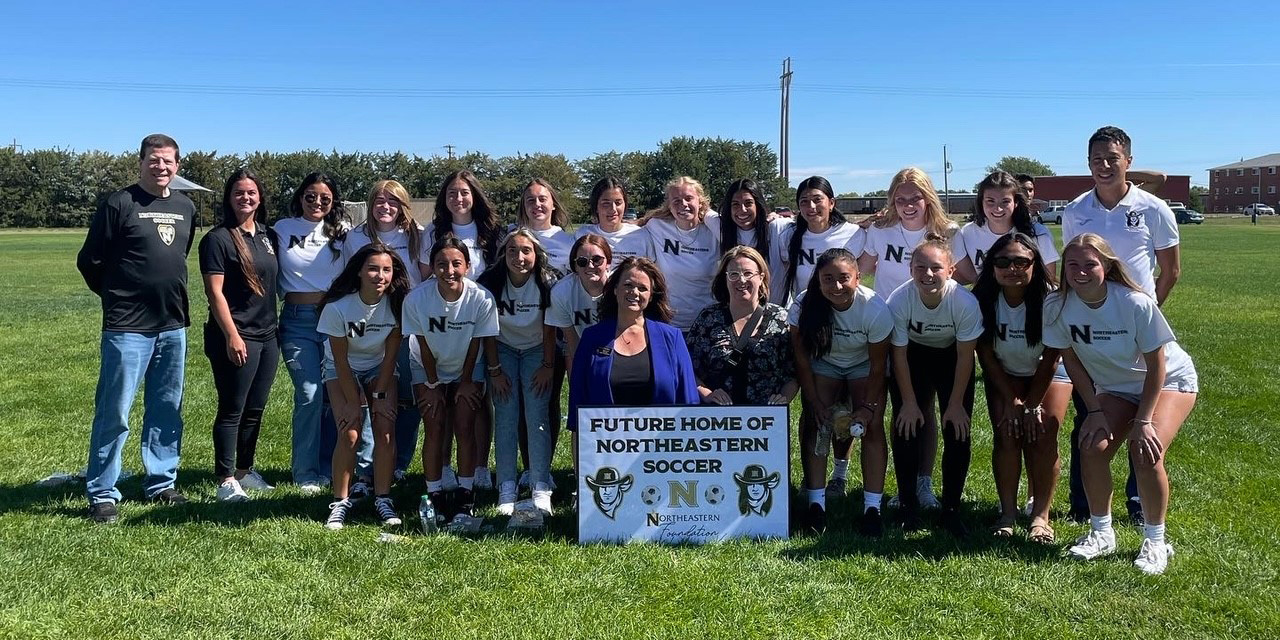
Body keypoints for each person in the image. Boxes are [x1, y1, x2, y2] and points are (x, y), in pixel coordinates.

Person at [1049, 234, 1198, 575]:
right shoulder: (1056, 306)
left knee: (1145, 451)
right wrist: (1095, 411)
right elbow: (1070, 361)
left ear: (1107, 266)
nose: (1081, 272)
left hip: (1168, 381)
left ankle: (1155, 541)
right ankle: (1102, 533)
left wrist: (1143, 421)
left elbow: (1157, 365)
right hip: (1115, 387)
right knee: (1091, 445)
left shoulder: (1134, 303)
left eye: (1090, 264)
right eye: (1073, 264)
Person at [1061, 126, 1180, 525]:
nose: (1105, 165)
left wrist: (1144, 315)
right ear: (1088, 163)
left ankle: (1137, 504)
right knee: (1092, 413)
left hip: (1135, 330)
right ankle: (1086, 508)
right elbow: (1075, 266)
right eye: (1097, 159)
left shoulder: (1152, 208)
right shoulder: (1076, 210)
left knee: (1142, 422)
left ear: (1128, 160)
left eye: (1113, 158)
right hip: (1091, 331)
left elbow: (1170, 270)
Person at [77, 133, 197, 523]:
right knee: (115, 411)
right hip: (127, 326)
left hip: (173, 323)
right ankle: (102, 492)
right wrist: (116, 297)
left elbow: (178, 255)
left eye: (168, 161)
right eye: (154, 160)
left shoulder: (185, 206)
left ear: (177, 166)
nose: (161, 167)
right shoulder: (119, 203)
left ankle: (161, 482)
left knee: (166, 409)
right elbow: (90, 261)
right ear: (141, 161)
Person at [858, 167, 958, 509]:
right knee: (896, 408)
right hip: (887, 329)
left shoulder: (947, 233)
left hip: (932, 333)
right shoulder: (880, 231)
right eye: (900, 199)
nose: (908, 205)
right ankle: (900, 484)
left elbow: (966, 276)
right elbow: (862, 268)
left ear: (928, 198)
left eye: (915, 197)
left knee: (924, 409)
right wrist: (856, 230)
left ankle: (922, 483)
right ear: (891, 202)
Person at [971, 233, 1070, 543]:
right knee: (1007, 434)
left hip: (1049, 373)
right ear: (992, 266)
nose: (1011, 268)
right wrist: (1012, 400)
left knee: (1041, 434)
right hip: (1004, 371)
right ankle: (1008, 513)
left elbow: (1052, 358)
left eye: (1020, 262)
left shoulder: (1050, 298)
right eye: (1002, 261)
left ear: (1034, 264)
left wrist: (1031, 405)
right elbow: (985, 354)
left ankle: (1041, 514)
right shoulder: (982, 298)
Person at [787, 249, 891, 535]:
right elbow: (801, 359)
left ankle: (872, 509)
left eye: (843, 278)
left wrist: (868, 407)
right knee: (817, 424)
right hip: (825, 364)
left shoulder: (874, 308)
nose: (836, 286)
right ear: (817, 281)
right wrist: (814, 401)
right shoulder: (803, 304)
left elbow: (879, 366)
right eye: (827, 279)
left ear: (858, 278)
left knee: (870, 428)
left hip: (863, 366)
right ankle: (816, 505)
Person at [886, 235, 983, 536]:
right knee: (906, 425)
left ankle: (951, 509)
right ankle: (907, 506)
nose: (927, 274)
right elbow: (898, 356)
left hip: (951, 358)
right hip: (913, 358)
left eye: (936, 268)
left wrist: (955, 405)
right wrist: (910, 403)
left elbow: (967, 357)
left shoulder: (964, 302)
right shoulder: (900, 299)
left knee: (958, 428)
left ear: (951, 271)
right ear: (910, 269)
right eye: (920, 267)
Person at [401, 237, 499, 526]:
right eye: (441, 264)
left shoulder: (481, 297)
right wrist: (433, 385)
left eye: (457, 263)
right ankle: (434, 494)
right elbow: (422, 344)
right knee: (434, 425)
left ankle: (465, 495)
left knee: (464, 425)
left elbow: (476, 343)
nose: (449, 270)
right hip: (426, 365)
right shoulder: (417, 298)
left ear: (467, 267)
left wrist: (466, 381)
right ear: (432, 267)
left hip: (469, 364)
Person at [199, 169, 280, 502]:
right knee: (232, 408)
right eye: (238, 193)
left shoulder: (267, 235)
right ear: (228, 198)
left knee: (256, 408)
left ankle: (245, 471)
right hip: (235, 335)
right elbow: (214, 293)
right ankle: (226, 478)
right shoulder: (217, 239)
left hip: (268, 335)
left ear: (260, 197)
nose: (245, 198)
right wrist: (232, 335)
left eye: (251, 193)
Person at [343, 180, 429, 490]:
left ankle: (398, 464)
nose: (385, 206)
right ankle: (366, 469)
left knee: (406, 399)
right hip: (369, 327)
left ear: (403, 205)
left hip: (408, 328)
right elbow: (349, 282)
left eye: (392, 201)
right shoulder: (356, 238)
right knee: (370, 397)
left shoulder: (419, 236)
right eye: (379, 200)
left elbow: (426, 279)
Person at [317, 245, 411, 529]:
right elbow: (341, 360)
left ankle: (383, 498)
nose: (380, 275)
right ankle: (340, 503)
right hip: (341, 368)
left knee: (384, 428)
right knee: (350, 431)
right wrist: (353, 400)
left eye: (386, 269)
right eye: (373, 268)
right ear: (359, 271)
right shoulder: (338, 308)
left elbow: (392, 353)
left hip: (379, 367)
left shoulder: (397, 304)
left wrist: (380, 396)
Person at [275, 172, 352, 494]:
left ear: (333, 201)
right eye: (310, 196)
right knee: (309, 394)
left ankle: (328, 467)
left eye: (325, 198)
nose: (317, 202)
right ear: (300, 196)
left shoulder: (343, 234)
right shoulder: (282, 229)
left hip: (334, 320)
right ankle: (304, 471)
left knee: (334, 396)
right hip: (297, 321)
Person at [426, 170, 503, 491]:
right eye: (452, 193)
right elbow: (424, 277)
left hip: (482, 322)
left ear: (475, 196)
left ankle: (480, 467)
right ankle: (443, 468)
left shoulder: (493, 233)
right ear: (444, 199)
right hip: (441, 324)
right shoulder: (433, 232)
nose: (459, 198)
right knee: (443, 397)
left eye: (465, 192)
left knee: (478, 397)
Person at [478, 229, 560, 516]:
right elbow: (486, 329)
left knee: (537, 415)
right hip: (502, 348)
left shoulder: (547, 280)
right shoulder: (491, 280)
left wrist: (548, 365)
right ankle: (507, 486)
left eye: (526, 250)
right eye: (512, 250)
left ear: (536, 254)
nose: (519, 257)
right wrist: (495, 370)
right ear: (503, 254)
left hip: (537, 348)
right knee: (506, 415)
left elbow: (551, 326)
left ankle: (540, 485)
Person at [568, 257, 700, 430]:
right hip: (605, 448)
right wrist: (580, 455)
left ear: (651, 296)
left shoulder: (672, 338)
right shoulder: (592, 338)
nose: (634, 292)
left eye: (643, 288)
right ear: (615, 289)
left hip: (661, 449)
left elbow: (689, 402)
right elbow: (578, 404)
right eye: (628, 285)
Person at [689, 246, 797, 407]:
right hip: (718, 418)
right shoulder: (708, 318)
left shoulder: (781, 319)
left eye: (748, 273)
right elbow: (687, 368)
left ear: (761, 278)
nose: (741, 280)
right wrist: (707, 394)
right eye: (734, 274)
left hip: (766, 418)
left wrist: (783, 399)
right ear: (725, 279)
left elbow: (794, 371)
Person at [629, 177, 722, 331]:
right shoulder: (657, 226)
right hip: (667, 322)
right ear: (670, 206)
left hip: (706, 324)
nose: (683, 204)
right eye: (676, 201)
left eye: (689, 198)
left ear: (700, 202)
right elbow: (629, 228)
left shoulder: (713, 233)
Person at [953, 171, 1059, 285]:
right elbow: (961, 275)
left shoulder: (1038, 233)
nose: (998, 209)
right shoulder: (968, 232)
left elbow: (1049, 279)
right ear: (981, 201)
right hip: (985, 301)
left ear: (1016, 202)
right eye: (990, 201)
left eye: (1005, 201)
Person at [547, 234, 611, 372]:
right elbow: (572, 340)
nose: (590, 265)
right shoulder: (562, 292)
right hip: (582, 345)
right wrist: (582, 370)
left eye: (597, 260)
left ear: (608, 263)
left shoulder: (619, 287)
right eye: (582, 261)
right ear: (575, 266)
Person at [577, 176, 641, 266]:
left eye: (618, 203)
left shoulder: (641, 235)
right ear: (596, 207)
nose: (613, 209)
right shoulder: (583, 235)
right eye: (606, 203)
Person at [515, 178, 575, 274]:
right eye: (531, 200)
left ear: (553, 205)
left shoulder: (568, 242)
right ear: (524, 206)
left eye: (542, 199)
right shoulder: (510, 235)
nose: (537, 204)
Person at [716, 178, 772, 262]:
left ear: (757, 205)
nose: (742, 209)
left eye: (748, 203)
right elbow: (702, 209)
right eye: (735, 204)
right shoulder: (719, 225)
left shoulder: (774, 230)